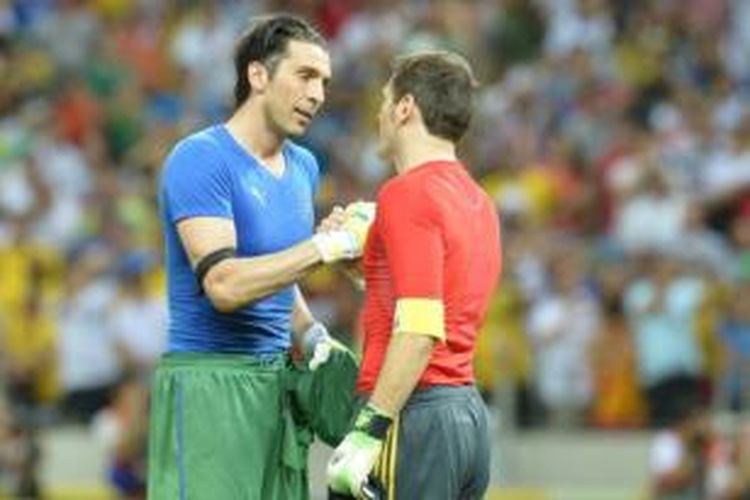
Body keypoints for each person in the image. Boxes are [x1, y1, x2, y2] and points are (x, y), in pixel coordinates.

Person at [148, 14, 370, 499]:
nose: (318, 95)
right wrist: (324, 247)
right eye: (305, 75)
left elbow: (276, 272)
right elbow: (225, 285)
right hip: (210, 384)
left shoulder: (304, 166)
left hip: (276, 387)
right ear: (258, 75)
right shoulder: (201, 158)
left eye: (325, 82)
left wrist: (310, 334)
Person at [326, 51, 503, 499]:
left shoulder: (406, 193)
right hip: (465, 416)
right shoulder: (478, 200)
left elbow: (421, 328)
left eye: (386, 100)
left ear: (405, 107)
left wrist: (368, 430)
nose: (381, 113)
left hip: (411, 413)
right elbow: (434, 296)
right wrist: (361, 263)